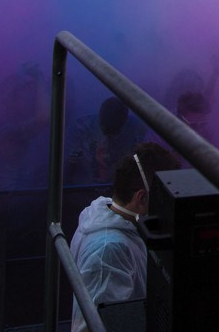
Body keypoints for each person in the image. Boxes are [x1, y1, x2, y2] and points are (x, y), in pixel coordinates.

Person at [70, 142, 180, 332]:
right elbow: (99, 327)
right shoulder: (108, 250)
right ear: (142, 198)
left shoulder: (111, 219)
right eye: (165, 197)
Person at [66, 97, 149, 185]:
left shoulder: (137, 129)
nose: (110, 136)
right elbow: (67, 166)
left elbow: (143, 165)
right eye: (106, 130)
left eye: (115, 131)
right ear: (100, 119)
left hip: (121, 189)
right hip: (84, 188)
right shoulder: (80, 129)